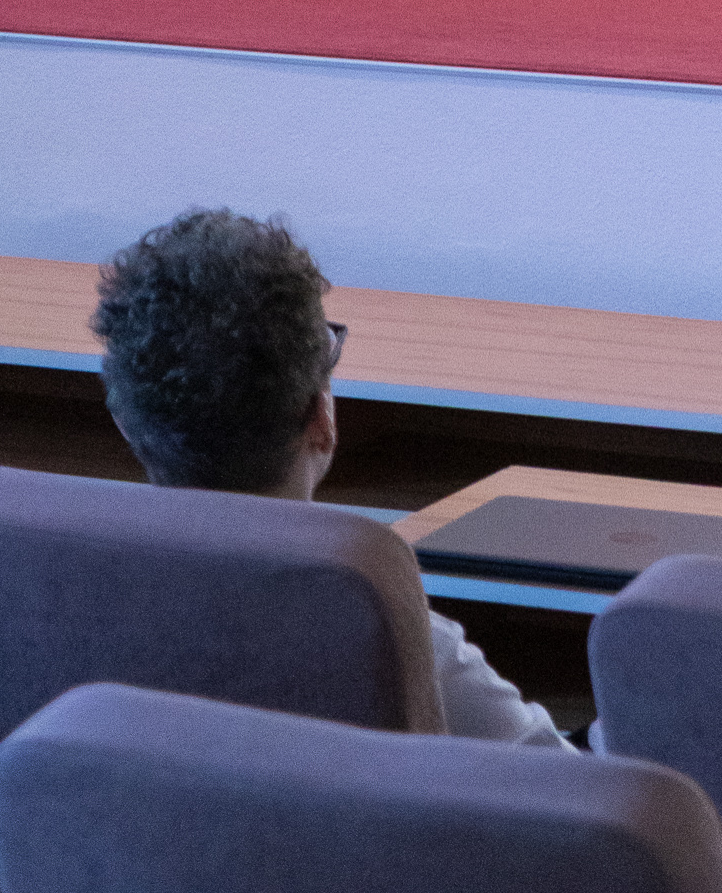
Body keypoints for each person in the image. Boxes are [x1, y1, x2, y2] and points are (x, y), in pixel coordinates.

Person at [91, 208, 568, 748]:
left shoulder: (63, 604)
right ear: (321, 419)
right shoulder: (398, 642)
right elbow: (570, 789)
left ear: (125, 422)